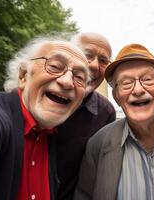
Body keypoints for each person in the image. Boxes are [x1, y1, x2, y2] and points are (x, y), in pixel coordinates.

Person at [74, 44, 154, 200]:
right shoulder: (97, 145)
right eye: (126, 83)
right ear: (116, 97)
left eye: (148, 79)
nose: (137, 90)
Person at [0, 37, 91, 200]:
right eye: (55, 66)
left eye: (80, 77)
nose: (67, 82)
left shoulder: (55, 135)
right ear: (23, 76)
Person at [56, 32, 116, 200]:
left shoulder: (105, 113)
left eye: (103, 60)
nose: (95, 65)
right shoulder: (40, 94)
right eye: (86, 55)